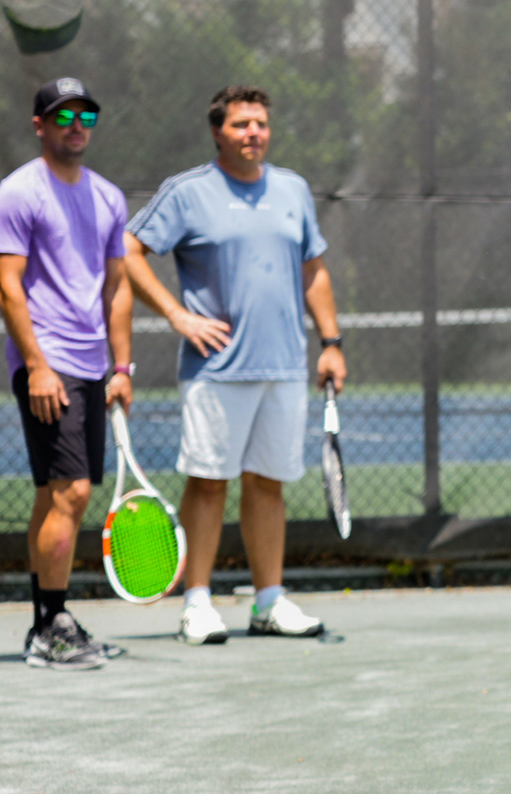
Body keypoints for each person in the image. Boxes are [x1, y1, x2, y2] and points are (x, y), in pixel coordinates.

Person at [122, 85, 345, 645]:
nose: (254, 133)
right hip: (215, 369)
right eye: (242, 124)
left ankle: (268, 601)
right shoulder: (188, 192)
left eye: (261, 123)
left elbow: (313, 270)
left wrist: (331, 342)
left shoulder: (292, 189)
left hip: (284, 368)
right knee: (209, 484)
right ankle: (196, 603)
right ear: (217, 132)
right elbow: (129, 250)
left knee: (268, 485)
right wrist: (178, 315)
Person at [0, 77, 134, 670]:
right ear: (40, 125)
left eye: (86, 117)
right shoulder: (17, 193)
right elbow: (8, 286)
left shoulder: (109, 197)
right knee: (72, 492)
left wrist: (121, 366)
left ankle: (46, 624)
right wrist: (37, 366)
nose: (77, 126)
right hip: (48, 364)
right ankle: (53, 625)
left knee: (56, 493)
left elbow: (117, 288)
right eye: (64, 116)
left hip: (95, 366)